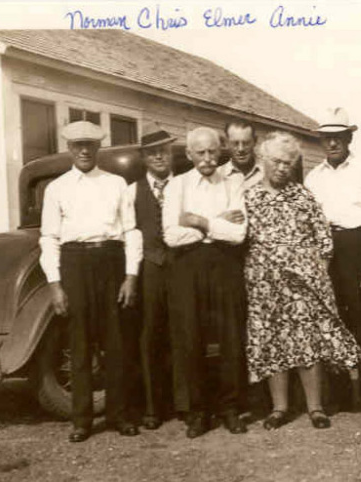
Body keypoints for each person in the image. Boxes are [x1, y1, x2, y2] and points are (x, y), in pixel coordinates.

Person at [244, 131, 361, 430]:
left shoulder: (303, 195)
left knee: (307, 341)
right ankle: (279, 408)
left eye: (288, 162)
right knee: (273, 342)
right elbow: (240, 237)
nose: (282, 167)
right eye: (276, 161)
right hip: (265, 284)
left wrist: (315, 274)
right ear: (263, 161)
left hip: (303, 285)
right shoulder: (250, 196)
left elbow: (324, 240)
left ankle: (315, 407)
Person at [39, 121, 142, 442]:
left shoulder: (116, 183)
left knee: (116, 344)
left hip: (111, 261)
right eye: (77, 145)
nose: (84, 150)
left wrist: (130, 276)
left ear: (98, 148)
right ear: (69, 148)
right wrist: (56, 285)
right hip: (75, 264)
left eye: (90, 145)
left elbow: (131, 232)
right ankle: (81, 419)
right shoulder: (56, 188)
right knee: (80, 345)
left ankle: (119, 414)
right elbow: (48, 238)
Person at [162, 126, 248, 438]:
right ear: (189, 155)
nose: (208, 158)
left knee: (231, 337)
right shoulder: (177, 186)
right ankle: (197, 412)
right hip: (188, 266)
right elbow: (171, 236)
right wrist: (218, 223)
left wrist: (198, 221)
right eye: (201, 152)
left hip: (225, 264)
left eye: (213, 151)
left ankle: (230, 408)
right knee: (190, 338)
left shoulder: (232, 183)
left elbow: (239, 234)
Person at [305, 108, 361, 417]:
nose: (332, 145)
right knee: (332, 324)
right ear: (321, 142)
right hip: (328, 253)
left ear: (349, 138)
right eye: (327, 139)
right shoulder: (313, 179)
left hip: (360, 247)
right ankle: (339, 395)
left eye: (338, 138)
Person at [126, 124, 177, 430]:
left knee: (183, 335)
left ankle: (183, 404)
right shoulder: (132, 191)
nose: (159, 156)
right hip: (149, 269)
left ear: (171, 154)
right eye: (152, 152)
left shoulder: (184, 185)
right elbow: (130, 233)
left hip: (181, 266)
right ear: (144, 157)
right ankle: (152, 407)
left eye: (164, 150)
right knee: (150, 336)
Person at [219, 121, 263, 191]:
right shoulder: (217, 176)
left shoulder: (269, 173)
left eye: (246, 143)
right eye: (235, 143)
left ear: (255, 141)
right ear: (226, 143)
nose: (241, 149)